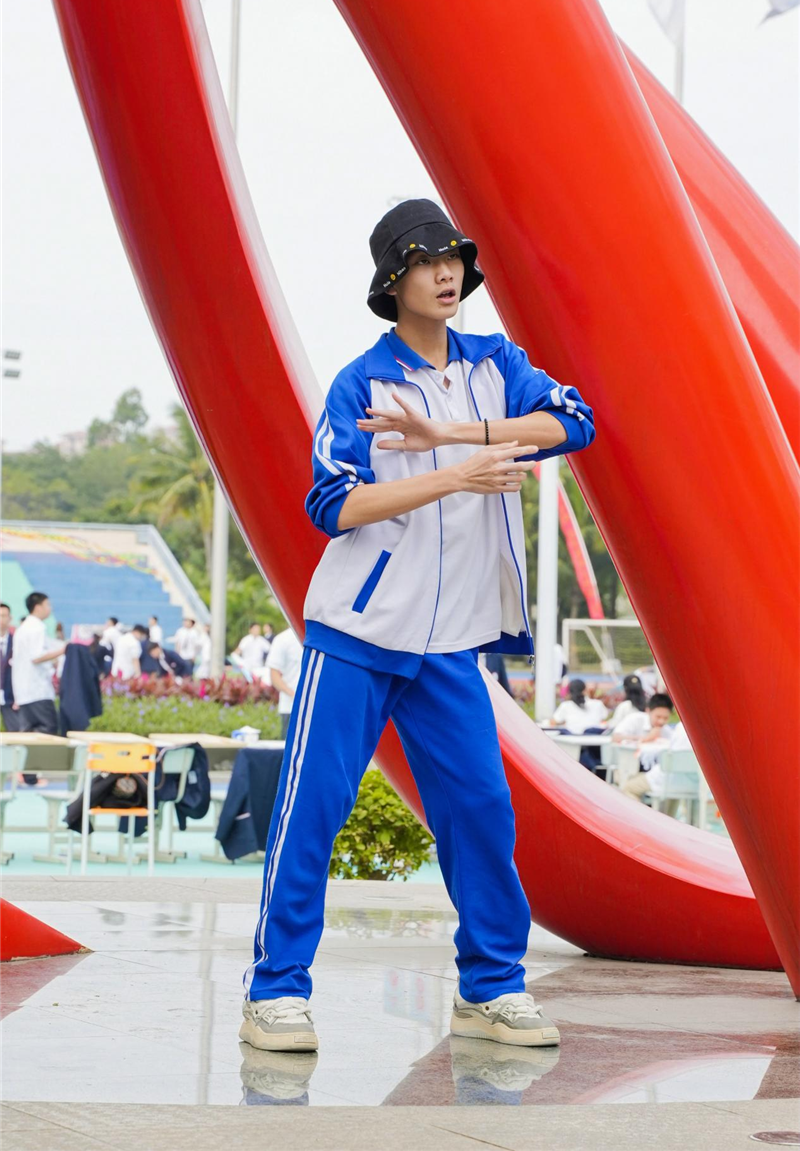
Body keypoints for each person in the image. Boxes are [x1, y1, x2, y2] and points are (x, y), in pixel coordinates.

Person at [240, 198, 595, 1054]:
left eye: (454, 259)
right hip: (357, 637)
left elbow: (574, 422)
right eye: (427, 262)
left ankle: (491, 989)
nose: (446, 274)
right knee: (312, 812)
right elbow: (333, 505)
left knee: (481, 814)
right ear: (393, 282)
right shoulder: (361, 383)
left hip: (449, 646)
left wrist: (451, 435)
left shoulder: (495, 363)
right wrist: (454, 475)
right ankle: (275, 992)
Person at [10, 592, 65, 734]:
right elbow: (36, 656)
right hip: (38, 691)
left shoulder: (23, 628)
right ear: (38, 607)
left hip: (24, 692)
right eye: (47, 605)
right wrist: (63, 650)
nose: (50, 608)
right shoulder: (37, 627)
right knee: (49, 730)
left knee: (28, 732)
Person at [616, 693, 678, 814]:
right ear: (648, 711)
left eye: (665, 718)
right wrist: (645, 738)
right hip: (629, 767)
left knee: (672, 787)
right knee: (628, 787)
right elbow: (616, 737)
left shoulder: (667, 731)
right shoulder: (635, 719)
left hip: (654, 772)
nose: (661, 721)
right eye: (658, 717)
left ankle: (666, 818)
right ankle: (639, 816)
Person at [266, 625, 303, 739]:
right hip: (290, 708)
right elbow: (274, 676)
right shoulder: (283, 639)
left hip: (316, 710)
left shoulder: (320, 637)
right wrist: (294, 695)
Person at [0, 602, 21, 732]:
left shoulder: (17, 642)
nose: (1, 619)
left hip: (10, 697)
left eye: (4, 616)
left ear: (10, 618)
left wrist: (19, 697)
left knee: (15, 732)